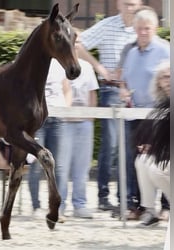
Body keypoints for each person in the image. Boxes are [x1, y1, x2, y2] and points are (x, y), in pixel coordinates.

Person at [76, 0, 143, 211]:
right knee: (111, 145)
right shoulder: (107, 25)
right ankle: (104, 197)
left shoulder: (142, 27)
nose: (130, 8)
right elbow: (77, 44)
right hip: (111, 90)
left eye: (134, 4)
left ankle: (127, 198)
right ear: (118, 5)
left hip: (135, 92)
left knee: (132, 148)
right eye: (127, 4)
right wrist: (100, 68)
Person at [119, 7, 169, 219]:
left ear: (155, 29)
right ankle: (141, 206)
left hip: (160, 116)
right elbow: (124, 79)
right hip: (135, 115)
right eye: (139, 28)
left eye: (147, 28)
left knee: (163, 159)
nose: (143, 32)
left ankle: (166, 206)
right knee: (137, 160)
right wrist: (123, 90)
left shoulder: (165, 50)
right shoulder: (130, 52)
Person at [57, 36, 99, 219]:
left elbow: (92, 94)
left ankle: (80, 204)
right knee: (62, 166)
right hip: (64, 123)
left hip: (84, 123)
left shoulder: (87, 68)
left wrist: (90, 118)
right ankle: (59, 205)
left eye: (77, 43)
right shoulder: (57, 66)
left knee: (82, 167)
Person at [28, 58, 72, 217]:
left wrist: (65, 109)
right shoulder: (30, 63)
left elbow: (67, 89)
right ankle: (36, 206)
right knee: (36, 164)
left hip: (57, 119)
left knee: (58, 165)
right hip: (37, 120)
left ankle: (57, 207)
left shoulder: (59, 64)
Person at [134, 60, 170, 227]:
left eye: (171, 77)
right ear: (158, 82)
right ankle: (150, 211)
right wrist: (149, 144)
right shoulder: (160, 104)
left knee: (156, 170)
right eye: (164, 77)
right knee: (142, 161)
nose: (168, 81)